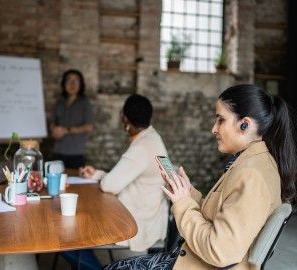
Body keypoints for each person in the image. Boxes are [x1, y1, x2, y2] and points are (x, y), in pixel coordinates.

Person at [104, 84, 297, 270]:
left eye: (220, 120)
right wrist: (188, 193)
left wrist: (182, 204)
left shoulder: (251, 174)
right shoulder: (253, 162)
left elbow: (218, 251)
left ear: (244, 124)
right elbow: (221, 213)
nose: (214, 128)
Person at [62, 94, 169, 269]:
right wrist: (96, 174)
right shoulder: (153, 138)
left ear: (125, 119)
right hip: (152, 216)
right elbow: (126, 175)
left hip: (137, 222)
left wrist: (101, 178)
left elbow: (109, 185)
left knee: (70, 239)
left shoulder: (141, 147)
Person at [50, 69, 94, 168]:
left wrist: (67, 130)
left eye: (76, 80)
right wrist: (54, 131)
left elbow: (89, 127)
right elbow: (53, 123)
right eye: (69, 80)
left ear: (81, 84)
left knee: (75, 181)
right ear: (64, 84)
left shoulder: (85, 102)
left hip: (76, 153)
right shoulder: (59, 102)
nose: (72, 84)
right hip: (58, 151)